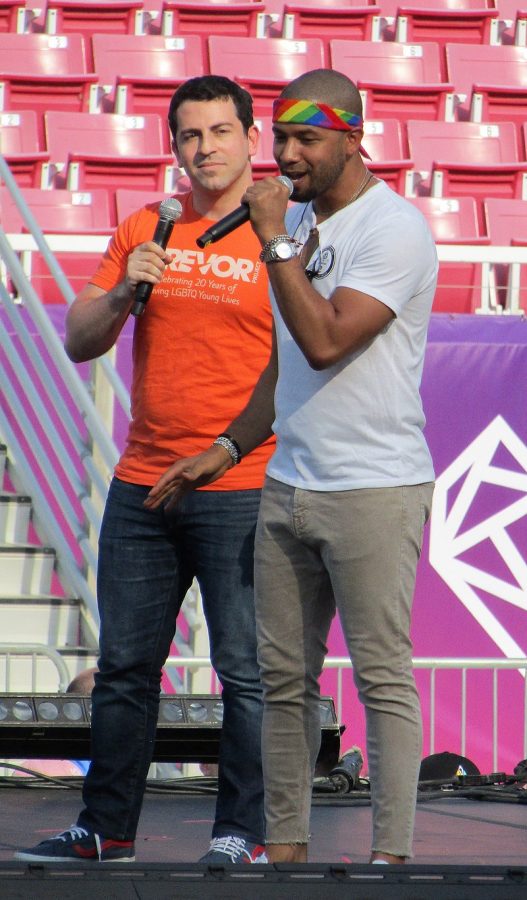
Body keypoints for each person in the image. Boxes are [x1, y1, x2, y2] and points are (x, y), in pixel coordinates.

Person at [144, 68, 438, 865]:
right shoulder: (300, 219)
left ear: (351, 135)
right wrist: (229, 446)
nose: (286, 154)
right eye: (279, 137)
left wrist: (274, 239)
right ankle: (284, 848)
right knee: (281, 683)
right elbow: (285, 365)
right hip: (288, 485)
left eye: (305, 138)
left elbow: (327, 340)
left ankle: (393, 856)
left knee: (380, 678)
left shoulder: (393, 229)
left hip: (374, 487)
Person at [15, 75, 275, 865]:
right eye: (191, 135)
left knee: (244, 674)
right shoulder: (143, 227)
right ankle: (105, 828)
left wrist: (223, 450)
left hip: (240, 483)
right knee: (125, 668)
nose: (206, 148)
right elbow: (78, 339)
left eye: (222, 132)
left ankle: (241, 833)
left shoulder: (280, 234)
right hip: (142, 483)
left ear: (250, 138)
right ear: (173, 146)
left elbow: (298, 367)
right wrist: (129, 290)